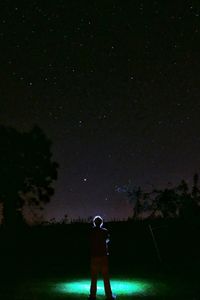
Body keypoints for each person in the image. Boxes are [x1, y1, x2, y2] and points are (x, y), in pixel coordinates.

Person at [88, 215, 116, 300]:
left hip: (94, 256)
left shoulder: (91, 231)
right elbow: (107, 240)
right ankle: (109, 296)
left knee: (94, 277)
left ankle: (92, 296)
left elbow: (89, 241)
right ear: (101, 223)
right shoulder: (105, 231)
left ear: (94, 223)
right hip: (103, 256)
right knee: (105, 277)